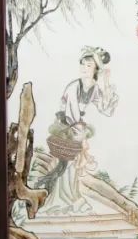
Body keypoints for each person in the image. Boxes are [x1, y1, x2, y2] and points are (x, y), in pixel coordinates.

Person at [39, 47, 119, 215]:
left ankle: (71, 198)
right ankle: (64, 201)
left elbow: (106, 109)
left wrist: (105, 83)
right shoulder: (73, 87)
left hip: (77, 131)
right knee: (67, 166)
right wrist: (80, 134)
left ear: (96, 69)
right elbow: (70, 112)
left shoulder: (94, 88)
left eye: (89, 65)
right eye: (82, 64)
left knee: (73, 168)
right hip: (65, 128)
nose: (84, 68)